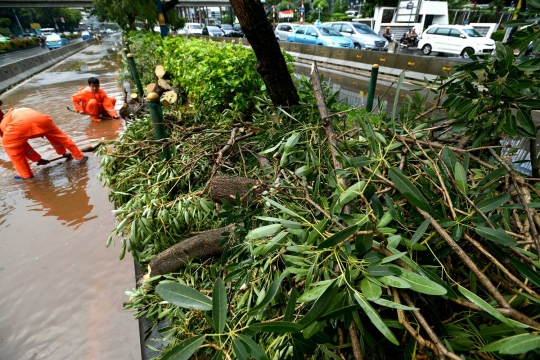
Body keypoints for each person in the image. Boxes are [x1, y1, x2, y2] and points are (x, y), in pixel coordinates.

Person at [0, 107, 88, 180]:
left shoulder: (4, 123)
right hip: (40, 118)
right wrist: (63, 153)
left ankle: (26, 175)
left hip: (20, 124)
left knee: (10, 147)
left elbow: (22, 147)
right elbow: (55, 140)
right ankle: (80, 156)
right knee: (61, 137)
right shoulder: (22, 110)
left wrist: (37, 159)